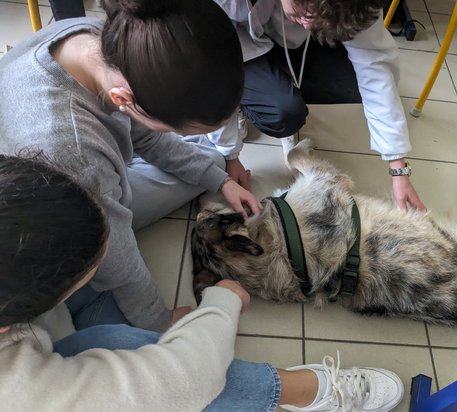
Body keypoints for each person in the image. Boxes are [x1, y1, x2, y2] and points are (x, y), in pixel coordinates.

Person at [0, 153, 405, 412]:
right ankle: (306, 391)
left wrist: (218, 173)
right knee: (136, 355)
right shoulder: (25, 394)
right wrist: (221, 303)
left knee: (115, 336)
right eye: (96, 259)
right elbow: (186, 379)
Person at [0, 0, 262, 333]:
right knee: (125, 331)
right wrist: (158, 319)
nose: (172, 135)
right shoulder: (74, 151)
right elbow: (114, 253)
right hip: (50, 226)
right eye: (174, 128)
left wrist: (222, 180)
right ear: (125, 99)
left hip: (80, 175)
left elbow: (148, 138)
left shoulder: (105, 39)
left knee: (209, 163)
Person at [208, 0, 427, 212]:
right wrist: (230, 155)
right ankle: (246, 98)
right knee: (282, 112)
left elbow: (375, 65)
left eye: (315, 15)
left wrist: (398, 167)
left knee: (351, 82)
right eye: (305, 10)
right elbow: (210, 59)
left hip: (289, 39)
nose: (308, 23)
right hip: (238, 42)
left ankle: (282, 79)